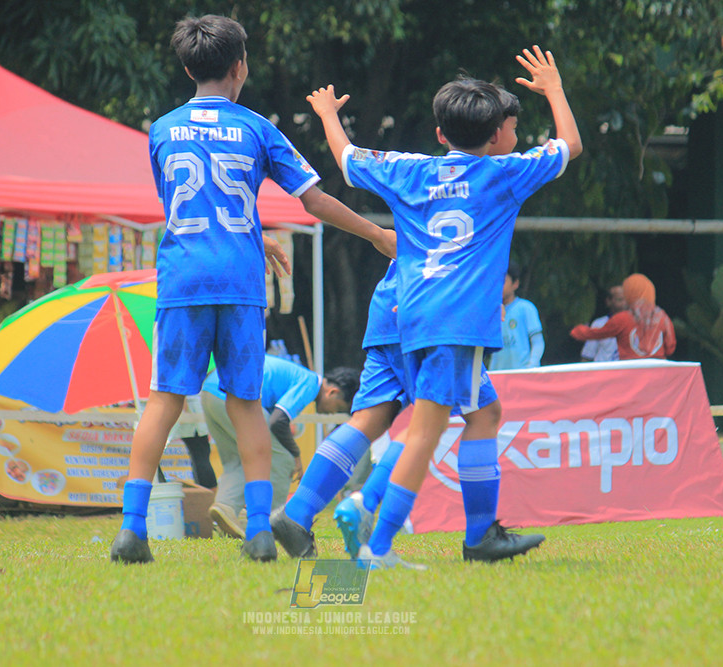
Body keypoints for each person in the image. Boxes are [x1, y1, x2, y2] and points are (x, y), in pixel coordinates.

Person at [110, 14, 394, 565]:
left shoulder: (161, 130)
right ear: (240, 67)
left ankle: (131, 530)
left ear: (188, 68)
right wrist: (377, 234)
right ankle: (260, 531)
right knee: (245, 405)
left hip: (183, 278)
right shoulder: (257, 129)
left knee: (164, 400)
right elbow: (313, 200)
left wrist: (251, 234)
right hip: (239, 284)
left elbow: (187, 207)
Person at [306, 44, 581, 568]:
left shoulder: (408, 170)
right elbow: (570, 143)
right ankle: (378, 542)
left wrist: (327, 116)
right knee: (425, 432)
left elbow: (346, 158)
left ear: (439, 134)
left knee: (484, 412)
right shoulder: (504, 174)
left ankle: (480, 534)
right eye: (511, 128)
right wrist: (554, 89)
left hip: (412, 316)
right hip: (459, 321)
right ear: (496, 135)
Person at [271, 260, 504, 562]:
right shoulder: (451, 229)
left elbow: (379, 237)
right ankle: (372, 512)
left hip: (387, 310)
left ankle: (297, 512)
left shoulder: (408, 228)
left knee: (369, 420)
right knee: (466, 415)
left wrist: (391, 245)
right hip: (433, 309)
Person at [202, 355, 359, 539]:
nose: (333, 413)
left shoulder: (297, 375)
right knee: (282, 459)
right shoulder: (309, 383)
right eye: (339, 408)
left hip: (210, 392)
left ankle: (225, 507)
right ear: (332, 392)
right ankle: (270, 524)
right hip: (235, 395)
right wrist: (296, 455)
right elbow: (278, 421)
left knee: (236, 460)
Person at [570, 273, 676, 360]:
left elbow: (595, 334)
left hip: (630, 374)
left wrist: (577, 331)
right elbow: (670, 349)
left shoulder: (622, 319)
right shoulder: (663, 318)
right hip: (656, 373)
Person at [486, 260, 544, 370]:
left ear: (515, 283)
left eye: (503, 281)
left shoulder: (526, 308)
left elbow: (538, 342)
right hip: (497, 375)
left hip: (521, 374)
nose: (499, 285)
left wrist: (531, 368)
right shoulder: (490, 312)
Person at [580, 284, 626, 362]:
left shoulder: (635, 324)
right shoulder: (599, 325)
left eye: (626, 300)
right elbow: (587, 356)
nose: (624, 304)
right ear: (608, 301)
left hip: (627, 369)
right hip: (604, 369)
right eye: (620, 300)